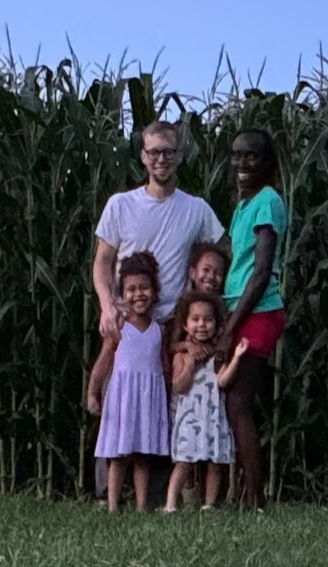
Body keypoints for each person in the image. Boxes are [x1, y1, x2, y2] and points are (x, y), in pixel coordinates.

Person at [90, 120, 226, 506]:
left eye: (168, 151)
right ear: (143, 157)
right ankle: (106, 493)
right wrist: (106, 305)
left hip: (172, 323)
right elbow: (102, 263)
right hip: (126, 322)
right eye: (153, 152)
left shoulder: (196, 209)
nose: (161, 159)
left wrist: (204, 296)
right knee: (118, 404)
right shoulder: (121, 205)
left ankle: (160, 496)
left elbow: (218, 254)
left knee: (165, 407)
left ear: (179, 155)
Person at [215, 128, 288, 509]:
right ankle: (246, 494)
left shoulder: (268, 202)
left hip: (258, 311)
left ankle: (257, 499)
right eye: (236, 155)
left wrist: (228, 331)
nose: (241, 164)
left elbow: (259, 274)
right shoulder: (244, 206)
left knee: (239, 404)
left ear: (268, 163)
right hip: (241, 309)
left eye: (251, 156)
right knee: (234, 403)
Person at [88, 251, 170, 512]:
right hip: (123, 400)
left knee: (142, 456)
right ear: (122, 295)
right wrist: (92, 393)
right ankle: (112, 507)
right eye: (131, 290)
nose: (138, 294)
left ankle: (141, 506)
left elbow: (164, 365)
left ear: (154, 292)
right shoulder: (119, 327)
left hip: (148, 400)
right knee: (119, 456)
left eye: (144, 288)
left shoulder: (160, 330)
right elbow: (103, 363)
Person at [164, 291, 248, 513]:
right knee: (184, 461)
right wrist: (190, 363)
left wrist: (237, 358)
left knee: (214, 464)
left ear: (217, 324)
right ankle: (171, 502)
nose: (201, 325)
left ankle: (209, 505)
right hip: (190, 418)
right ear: (185, 324)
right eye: (195, 319)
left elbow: (222, 381)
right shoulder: (182, 355)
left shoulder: (218, 355)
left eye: (208, 320)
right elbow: (179, 386)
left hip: (212, 418)